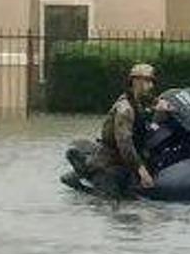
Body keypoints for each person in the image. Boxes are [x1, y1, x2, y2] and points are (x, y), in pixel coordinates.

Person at [68, 63, 173, 198]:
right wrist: (141, 170)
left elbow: (149, 103)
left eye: (151, 81)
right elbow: (125, 146)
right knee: (115, 203)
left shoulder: (139, 101)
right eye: (147, 81)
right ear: (136, 82)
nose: (151, 86)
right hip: (109, 165)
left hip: (125, 164)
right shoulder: (125, 109)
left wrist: (161, 104)